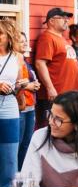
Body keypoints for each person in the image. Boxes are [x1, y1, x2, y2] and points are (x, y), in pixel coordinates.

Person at [33, 7, 78, 129]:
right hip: (56, 95)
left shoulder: (62, 39)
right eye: (62, 18)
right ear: (51, 21)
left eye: (67, 18)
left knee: (66, 130)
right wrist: (50, 88)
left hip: (69, 94)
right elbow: (40, 63)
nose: (66, 21)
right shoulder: (47, 37)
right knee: (53, 129)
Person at [0, 19, 24, 187]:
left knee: (9, 153)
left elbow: (16, 83)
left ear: (9, 36)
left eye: (0, 34)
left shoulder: (17, 57)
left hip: (9, 105)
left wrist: (22, 85)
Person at [16, 32, 39, 169]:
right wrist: (29, 85)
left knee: (27, 143)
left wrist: (35, 84)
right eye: (21, 41)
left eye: (25, 41)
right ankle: (14, 175)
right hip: (20, 108)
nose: (25, 44)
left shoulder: (26, 62)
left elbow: (30, 81)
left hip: (31, 107)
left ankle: (22, 173)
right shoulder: (13, 61)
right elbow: (16, 82)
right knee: (17, 143)